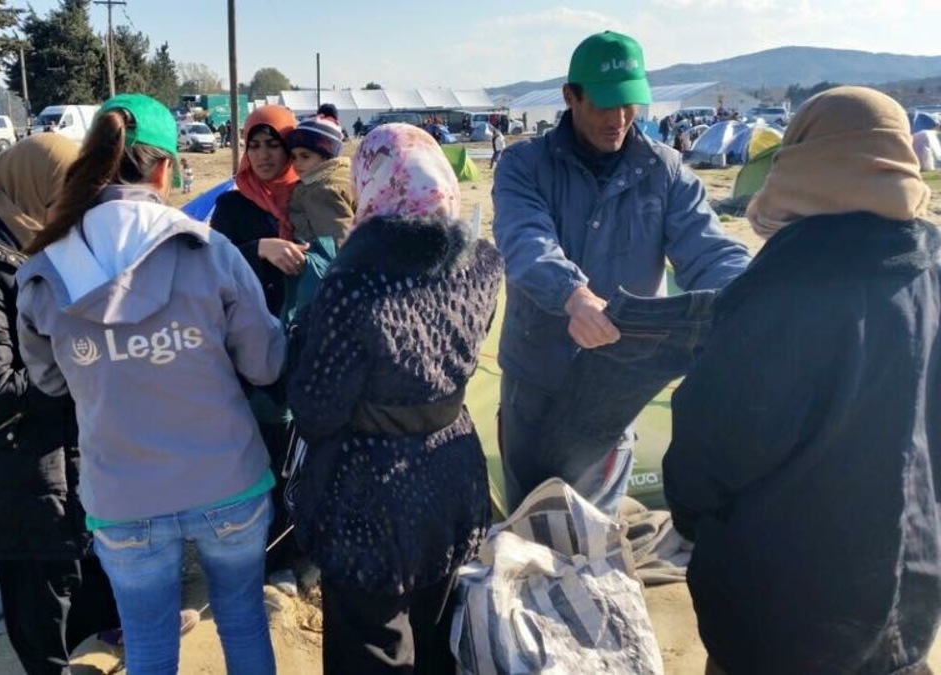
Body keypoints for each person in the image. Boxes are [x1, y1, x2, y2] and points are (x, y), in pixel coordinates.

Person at [664, 86, 941, 675]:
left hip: (780, 616)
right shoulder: (932, 278)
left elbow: (702, 457)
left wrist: (697, 526)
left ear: (803, 167)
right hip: (906, 603)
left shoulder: (775, 296)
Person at [15, 93, 284, 675]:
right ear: (165, 167)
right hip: (227, 480)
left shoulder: (42, 269)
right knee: (241, 618)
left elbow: (48, 381)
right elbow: (264, 365)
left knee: (148, 640)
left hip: (122, 496)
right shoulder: (210, 250)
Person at [492, 30, 750, 514]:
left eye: (630, 104)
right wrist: (573, 296)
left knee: (596, 524)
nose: (619, 119)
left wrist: (756, 294)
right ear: (571, 97)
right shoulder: (523, 164)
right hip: (537, 373)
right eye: (605, 105)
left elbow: (708, 251)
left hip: (620, 380)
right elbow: (525, 239)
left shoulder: (665, 169)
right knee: (530, 519)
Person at [287, 123, 502, 675]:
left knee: (371, 647)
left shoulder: (353, 277)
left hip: (370, 492)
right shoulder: (482, 261)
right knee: (436, 635)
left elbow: (315, 408)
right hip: (454, 473)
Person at [0, 135, 121, 675]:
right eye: (67, 195)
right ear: (32, 191)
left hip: (65, 460)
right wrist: (90, 370)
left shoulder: (42, 244)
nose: (78, 210)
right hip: (20, 472)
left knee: (87, 598)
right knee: (44, 613)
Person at [210, 105, 310, 594]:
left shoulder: (310, 196)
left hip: (307, 344)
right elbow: (211, 274)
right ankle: (268, 558)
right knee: (263, 452)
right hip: (252, 349)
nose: (265, 155)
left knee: (305, 451)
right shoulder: (233, 207)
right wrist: (259, 250)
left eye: (275, 144)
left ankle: (301, 548)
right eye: (255, 144)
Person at [287, 115, 355, 245]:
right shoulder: (346, 175)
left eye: (305, 156)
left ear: (326, 156)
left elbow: (338, 241)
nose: (297, 163)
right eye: (293, 157)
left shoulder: (322, 191)